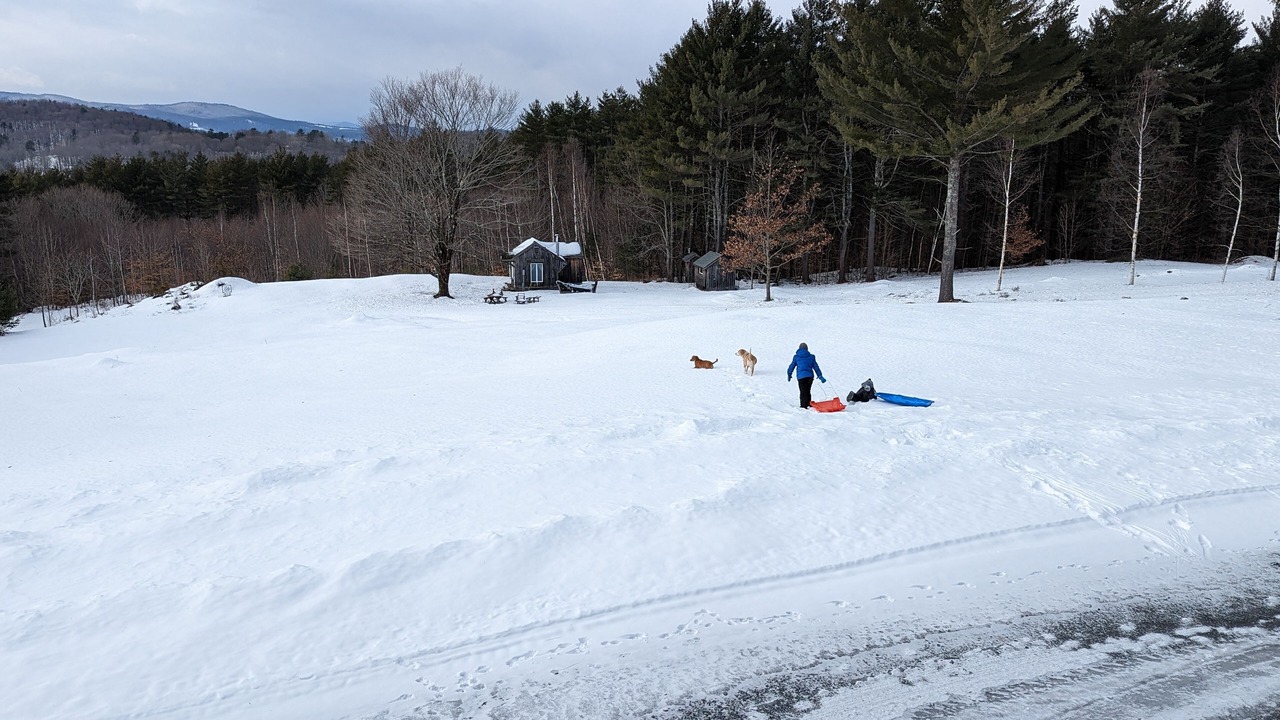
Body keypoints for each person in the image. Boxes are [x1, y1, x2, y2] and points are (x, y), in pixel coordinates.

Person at [786, 342, 826, 409]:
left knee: (802, 391)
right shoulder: (811, 357)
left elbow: (791, 366)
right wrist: (820, 376)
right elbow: (816, 367)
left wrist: (789, 374)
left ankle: (803, 406)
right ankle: (808, 404)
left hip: (801, 377)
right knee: (807, 391)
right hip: (810, 377)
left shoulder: (796, 357)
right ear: (807, 348)